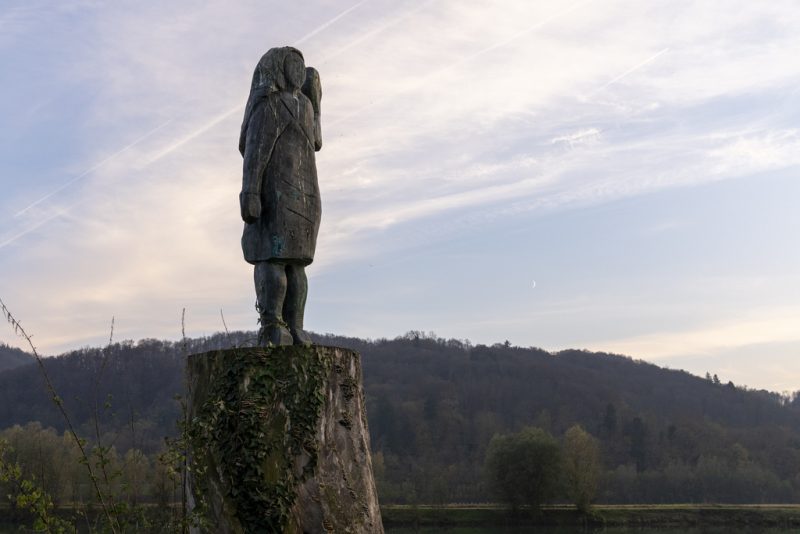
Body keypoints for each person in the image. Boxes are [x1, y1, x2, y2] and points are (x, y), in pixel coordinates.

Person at [239, 47, 322, 346]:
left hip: (304, 195)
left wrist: (318, 103)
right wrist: (250, 191)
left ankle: (295, 325)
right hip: (274, 195)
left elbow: (316, 141)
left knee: (296, 266)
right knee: (273, 262)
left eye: (302, 67)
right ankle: (273, 322)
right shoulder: (269, 106)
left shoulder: (305, 107)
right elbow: (254, 152)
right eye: (292, 66)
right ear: (279, 70)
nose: (298, 73)